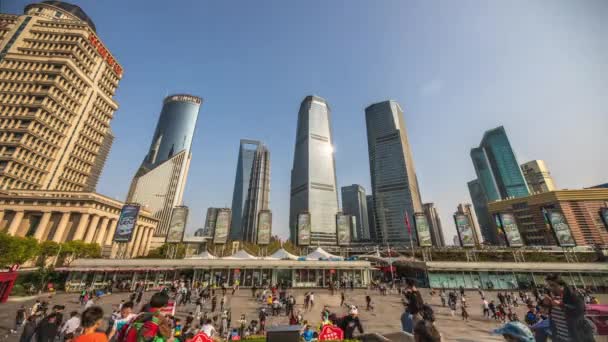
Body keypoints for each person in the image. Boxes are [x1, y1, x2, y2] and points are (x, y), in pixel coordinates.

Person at [544, 273, 595, 342]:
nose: (550, 288)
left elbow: (580, 311)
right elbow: (549, 315)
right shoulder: (553, 298)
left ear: (562, 285)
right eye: (548, 285)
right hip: (560, 338)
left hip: (577, 338)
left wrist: (561, 305)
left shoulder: (573, 296)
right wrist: (547, 305)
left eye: (553, 285)